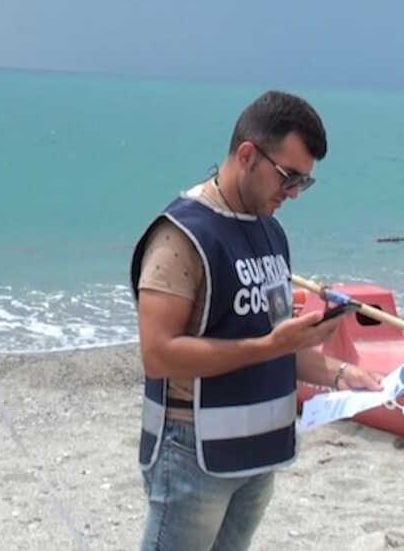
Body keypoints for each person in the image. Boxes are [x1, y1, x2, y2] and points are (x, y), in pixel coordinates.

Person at [130, 90, 383, 551]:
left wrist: (340, 373)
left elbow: (277, 340)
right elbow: (159, 354)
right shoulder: (181, 236)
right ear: (247, 154)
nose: (293, 194)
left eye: (304, 182)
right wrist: (272, 346)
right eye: (289, 177)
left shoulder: (270, 230)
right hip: (193, 452)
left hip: (260, 453)